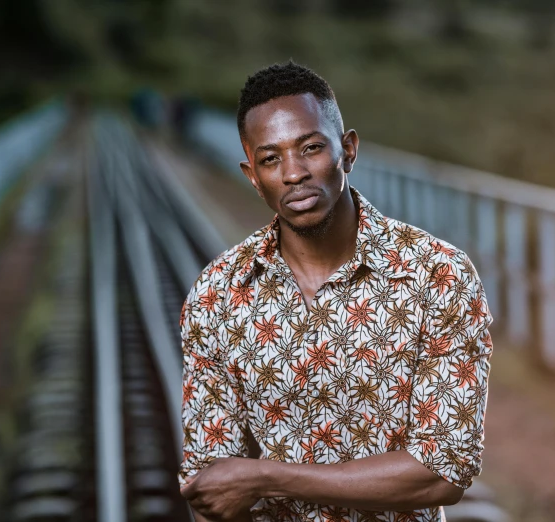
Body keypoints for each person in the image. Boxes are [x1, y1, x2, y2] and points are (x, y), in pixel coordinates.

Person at [178, 61, 494, 522]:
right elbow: (214, 489)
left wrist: (268, 476)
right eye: (271, 159)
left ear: (348, 150)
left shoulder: (437, 275)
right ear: (252, 175)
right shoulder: (215, 295)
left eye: (310, 148)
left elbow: (443, 471)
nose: (293, 174)